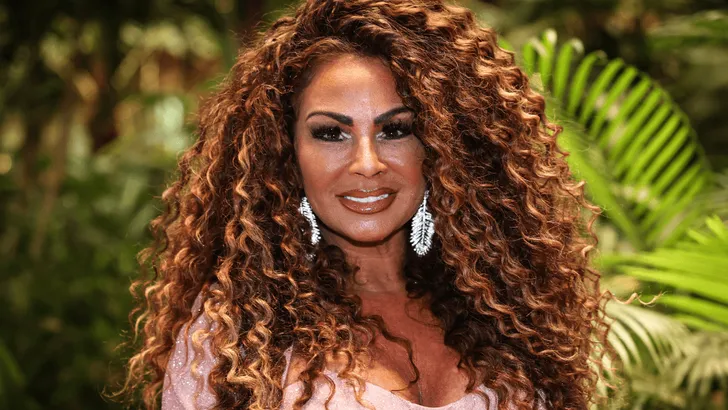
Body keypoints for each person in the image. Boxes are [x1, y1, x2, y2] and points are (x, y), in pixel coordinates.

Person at [121, 0, 613, 408]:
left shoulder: (507, 311)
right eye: (330, 133)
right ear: (285, 153)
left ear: (443, 146)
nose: (367, 163)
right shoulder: (238, 337)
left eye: (395, 129)